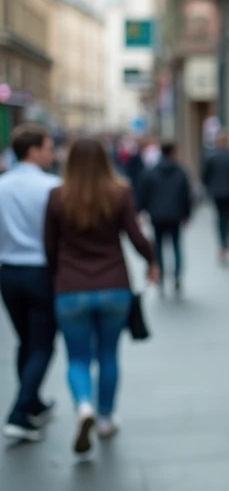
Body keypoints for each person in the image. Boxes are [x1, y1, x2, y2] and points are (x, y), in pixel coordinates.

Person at [44, 138, 159, 454]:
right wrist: (152, 261)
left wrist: (58, 276)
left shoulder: (57, 197)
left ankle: (84, 407)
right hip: (113, 286)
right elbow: (136, 236)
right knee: (108, 355)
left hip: (70, 289)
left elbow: (49, 247)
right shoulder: (119, 193)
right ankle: (106, 418)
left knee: (77, 358)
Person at [0, 124, 61, 441]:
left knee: (26, 340)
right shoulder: (52, 186)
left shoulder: (3, 185)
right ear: (34, 150)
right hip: (40, 272)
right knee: (42, 343)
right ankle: (20, 412)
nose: (53, 154)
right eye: (49, 148)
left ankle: (33, 402)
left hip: (8, 272)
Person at [137, 141, 193, 295]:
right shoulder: (181, 171)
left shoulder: (150, 172)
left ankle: (160, 276)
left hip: (157, 216)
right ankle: (176, 277)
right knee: (175, 246)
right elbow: (187, 196)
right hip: (175, 215)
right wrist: (187, 215)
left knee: (159, 246)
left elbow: (142, 194)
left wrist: (139, 211)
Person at [201, 130, 229, 264]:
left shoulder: (211, 157)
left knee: (220, 219)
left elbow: (205, 176)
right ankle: (226, 242)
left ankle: (223, 244)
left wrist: (209, 188)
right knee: (228, 217)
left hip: (217, 193)